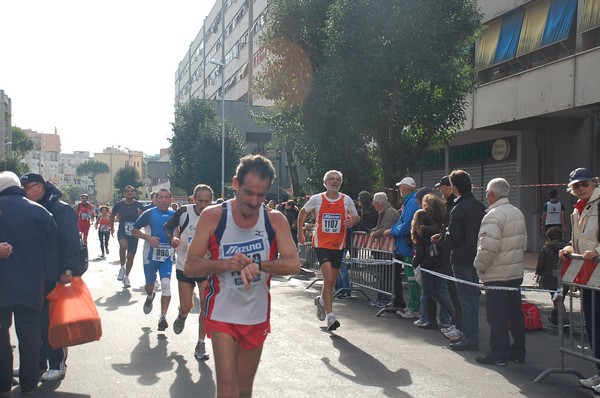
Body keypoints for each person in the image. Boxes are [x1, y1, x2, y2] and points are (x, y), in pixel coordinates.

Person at [184, 154, 300, 398]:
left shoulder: (274, 220)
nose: (254, 200)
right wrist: (227, 264)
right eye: (249, 193)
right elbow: (191, 267)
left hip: (256, 313)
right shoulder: (214, 216)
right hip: (221, 311)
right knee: (227, 388)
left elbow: (293, 264)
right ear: (235, 184)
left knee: (244, 389)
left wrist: (259, 265)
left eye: (262, 195)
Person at [20, 172, 85, 381]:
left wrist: (67, 272)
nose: (25, 192)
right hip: (35, 273)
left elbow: (71, 243)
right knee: (37, 321)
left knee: (53, 320)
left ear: (40, 187)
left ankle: (57, 363)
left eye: (28, 187)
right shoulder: (32, 208)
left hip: (54, 274)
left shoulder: (60, 209)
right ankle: (39, 363)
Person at [0, 172, 57, 394]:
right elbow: (52, 250)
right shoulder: (41, 212)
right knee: (30, 337)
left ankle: (3, 382)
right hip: (32, 286)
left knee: (1, 335)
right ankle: (29, 382)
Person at [473, 178, 527, 366]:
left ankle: (499, 353)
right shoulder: (517, 212)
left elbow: (487, 247)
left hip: (497, 274)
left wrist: (479, 266)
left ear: (491, 194)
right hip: (515, 272)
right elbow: (524, 242)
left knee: (496, 316)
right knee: (515, 314)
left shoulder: (493, 215)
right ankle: (519, 351)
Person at [298, 170, 359, 331]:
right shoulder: (317, 199)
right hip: (321, 243)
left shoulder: (346, 200)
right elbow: (302, 212)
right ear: (325, 183)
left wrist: (352, 221)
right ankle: (331, 317)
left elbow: (356, 217)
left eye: (338, 179)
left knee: (330, 281)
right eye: (331, 179)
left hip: (338, 245)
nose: (335, 181)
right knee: (329, 277)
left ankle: (321, 301)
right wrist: (300, 232)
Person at [558, 168, 600, 391]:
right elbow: (576, 241)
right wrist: (568, 248)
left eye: (585, 184)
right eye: (576, 186)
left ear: (593, 183)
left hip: (597, 271)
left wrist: (598, 251)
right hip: (589, 277)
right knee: (592, 324)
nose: (581, 188)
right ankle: (598, 371)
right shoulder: (577, 210)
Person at [434, 169, 486, 351]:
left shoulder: (459, 208)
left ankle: (469, 335)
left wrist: (443, 240)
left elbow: (453, 236)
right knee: (471, 297)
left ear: (454, 187)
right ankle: (469, 333)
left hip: (461, 258)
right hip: (475, 257)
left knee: (466, 299)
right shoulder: (479, 206)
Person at [164, 184, 214, 360]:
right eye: (200, 201)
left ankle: (201, 344)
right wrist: (174, 238)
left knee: (206, 308)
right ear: (193, 199)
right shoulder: (184, 212)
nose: (203, 204)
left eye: (207, 201)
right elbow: (167, 227)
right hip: (185, 266)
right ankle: (182, 314)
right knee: (187, 305)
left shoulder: (216, 215)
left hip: (207, 268)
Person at [132, 188, 175, 331]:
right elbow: (134, 230)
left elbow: (178, 232)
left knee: (166, 284)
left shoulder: (174, 215)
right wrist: (148, 238)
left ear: (170, 199)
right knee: (149, 284)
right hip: (150, 256)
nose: (163, 200)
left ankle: (163, 316)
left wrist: (176, 240)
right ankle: (150, 296)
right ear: (156, 199)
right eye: (160, 197)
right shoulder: (148, 214)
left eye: (166, 197)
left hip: (166, 256)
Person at [412, 194, 455, 329]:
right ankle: (446, 318)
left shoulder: (422, 221)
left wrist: (415, 262)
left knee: (428, 292)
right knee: (442, 290)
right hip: (441, 260)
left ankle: (427, 318)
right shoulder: (443, 220)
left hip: (427, 262)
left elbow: (420, 248)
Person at [384, 177, 420, 318]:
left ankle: (415, 308)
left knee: (413, 280)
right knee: (412, 279)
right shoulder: (409, 202)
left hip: (409, 247)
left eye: (400, 187)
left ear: (405, 188)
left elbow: (406, 226)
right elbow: (402, 223)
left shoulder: (411, 203)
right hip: (406, 247)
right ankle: (414, 307)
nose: (399, 190)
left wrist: (391, 231)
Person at [435, 175, 462, 340]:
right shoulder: (452, 204)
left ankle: (459, 325)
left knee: (456, 293)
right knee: (452, 292)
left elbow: (453, 230)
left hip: (454, 255)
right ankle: (457, 322)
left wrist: (444, 237)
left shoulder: (456, 205)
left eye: (442, 187)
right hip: (449, 253)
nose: (440, 190)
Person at [369, 192, 400, 307]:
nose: (373, 205)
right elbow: (380, 227)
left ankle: (386, 299)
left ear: (378, 203)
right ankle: (383, 297)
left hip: (390, 251)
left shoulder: (390, 213)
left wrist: (374, 234)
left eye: (374, 203)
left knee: (387, 276)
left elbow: (387, 228)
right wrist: (372, 232)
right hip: (385, 251)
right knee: (383, 274)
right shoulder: (384, 212)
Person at [111, 185, 145, 288]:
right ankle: (122, 267)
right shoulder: (119, 205)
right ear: (124, 194)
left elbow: (145, 217)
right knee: (123, 245)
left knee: (130, 257)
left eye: (132, 191)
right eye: (127, 191)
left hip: (134, 233)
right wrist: (111, 227)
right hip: (123, 232)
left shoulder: (139, 205)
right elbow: (112, 215)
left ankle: (126, 276)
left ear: (134, 193)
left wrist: (140, 214)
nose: (130, 193)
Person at [535, 227, 568, 326]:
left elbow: (541, 264)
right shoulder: (567, 247)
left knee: (557, 299)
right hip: (566, 277)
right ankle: (555, 317)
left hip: (551, 278)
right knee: (559, 298)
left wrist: (538, 274)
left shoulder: (545, 248)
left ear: (548, 238)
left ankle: (563, 320)